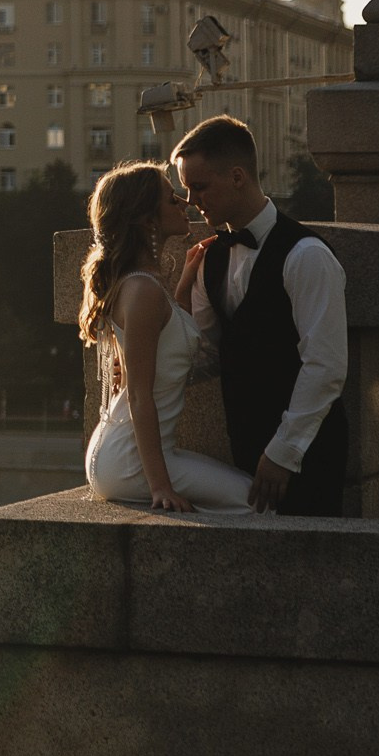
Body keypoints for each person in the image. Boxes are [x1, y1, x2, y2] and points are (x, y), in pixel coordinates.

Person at [175, 114, 349, 516]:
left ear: (237, 176)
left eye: (199, 187)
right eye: (185, 189)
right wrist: (147, 368)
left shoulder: (307, 255)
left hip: (309, 452)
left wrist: (283, 451)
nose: (191, 200)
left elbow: (326, 366)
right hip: (245, 448)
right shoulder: (209, 259)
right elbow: (208, 353)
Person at [80, 161, 253, 512]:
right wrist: (160, 487)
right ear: (148, 220)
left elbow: (169, 341)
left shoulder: (142, 284)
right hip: (130, 461)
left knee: (245, 492)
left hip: (120, 453)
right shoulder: (142, 290)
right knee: (255, 502)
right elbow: (139, 396)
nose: (185, 203)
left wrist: (185, 284)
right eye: (172, 199)